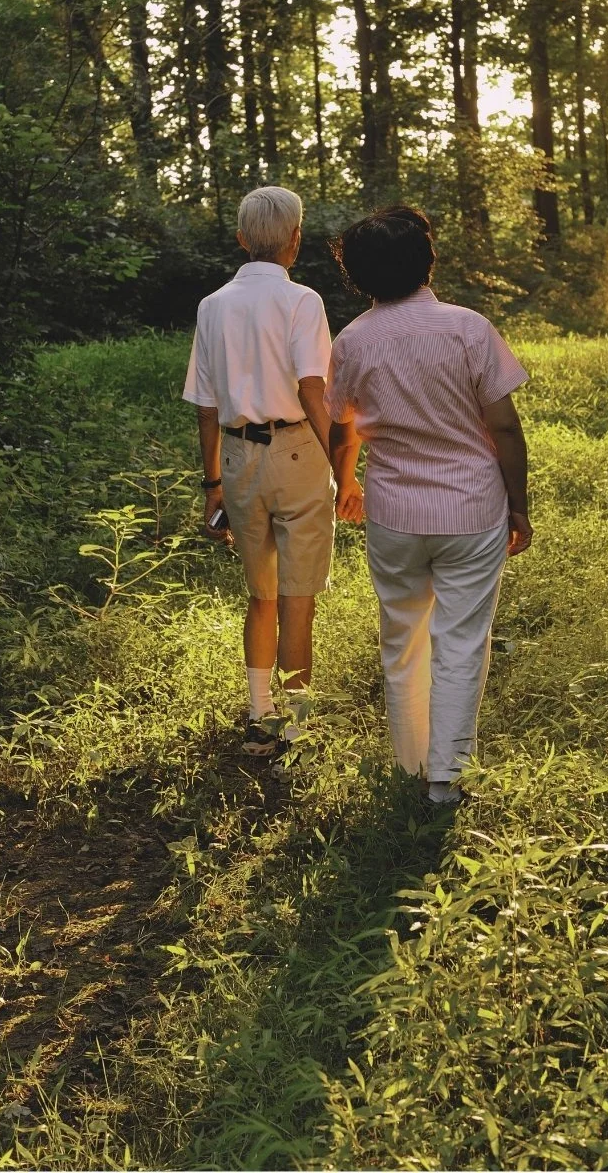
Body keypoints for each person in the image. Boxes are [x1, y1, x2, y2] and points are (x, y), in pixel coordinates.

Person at [325, 206, 531, 806]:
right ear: (426, 261)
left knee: (401, 636)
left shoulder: (353, 340)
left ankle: (409, 762)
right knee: (462, 640)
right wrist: (518, 505)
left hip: (393, 513)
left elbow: (343, 426)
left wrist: (347, 486)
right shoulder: (468, 328)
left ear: (358, 275)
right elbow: (506, 429)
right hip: (471, 510)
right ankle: (445, 779)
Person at [183, 186, 364, 758]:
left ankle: (260, 712)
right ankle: (296, 723)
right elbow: (314, 389)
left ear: (241, 239)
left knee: (260, 593)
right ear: (295, 240)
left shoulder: (212, 304)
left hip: (237, 459)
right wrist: (341, 464)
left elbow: (207, 406)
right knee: (297, 597)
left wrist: (212, 483)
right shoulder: (302, 301)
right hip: (295, 451)